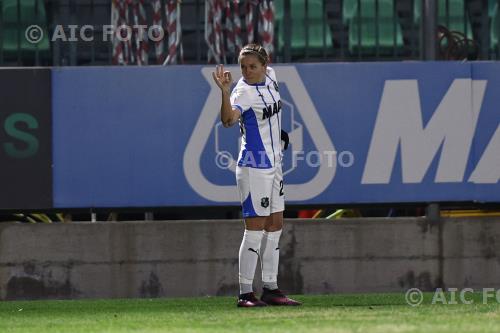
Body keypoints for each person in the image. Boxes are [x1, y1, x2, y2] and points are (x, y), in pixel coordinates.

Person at [212, 44, 301, 307]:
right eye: (243, 67)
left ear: (265, 65)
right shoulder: (242, 92)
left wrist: (279, 133)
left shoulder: (271, 76)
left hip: (275, 164)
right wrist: (225, 92)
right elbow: (228, 121)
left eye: (252, 66)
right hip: (254, 166)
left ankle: (271, 289)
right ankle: (245, 293)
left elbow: (269, 116)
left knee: (275, 224)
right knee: (254, 230)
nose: (247, 71)